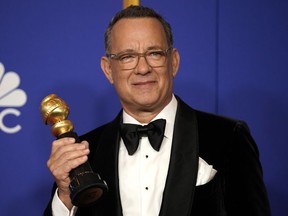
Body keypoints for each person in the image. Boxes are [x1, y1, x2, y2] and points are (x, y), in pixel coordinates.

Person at [44, 5, 271, 216]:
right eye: (128, 57)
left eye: (154, 53)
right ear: (108, 69)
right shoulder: (83, 156)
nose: (143, 68)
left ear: (173, 61)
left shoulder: (228, 137)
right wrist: (65, 196)